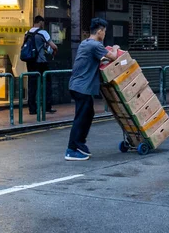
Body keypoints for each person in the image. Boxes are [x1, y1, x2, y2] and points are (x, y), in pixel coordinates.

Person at [65, 18, 118, 161]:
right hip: (82, 88)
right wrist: (115, 48)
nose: (105, 34)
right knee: (81, 117)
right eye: (104, 31)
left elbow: (99, 60)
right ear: (100, 31)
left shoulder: (86, 43)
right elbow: (113, 56)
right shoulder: (95, 45)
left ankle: (78, 145)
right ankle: (73, 148)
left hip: (78, 86)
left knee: (87, 114)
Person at [24, 16, 58, 115]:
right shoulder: (43, 32)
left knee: (32, 85)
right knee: (47, 83)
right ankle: (47, 107)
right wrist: (55, 52)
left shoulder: (27, 33)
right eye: (42, 23)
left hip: (30, 61)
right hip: (41, 62)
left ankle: (32, 109)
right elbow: (53, 46)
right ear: (40, 22)